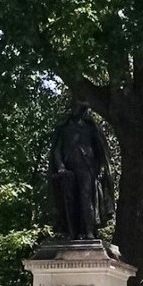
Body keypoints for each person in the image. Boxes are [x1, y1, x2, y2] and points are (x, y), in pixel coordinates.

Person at [47, 101, 114, 240]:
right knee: (69, 201)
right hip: (67, 171)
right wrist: (60, 167)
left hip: (87, 168)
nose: (74, 109)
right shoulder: (63, 128)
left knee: (86, 199)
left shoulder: (90, 128)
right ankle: (71, 232)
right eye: (73, 107)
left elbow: (100, 151)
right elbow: (57, 150)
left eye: (78, 107)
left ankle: (89, 231)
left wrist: (101, 168)